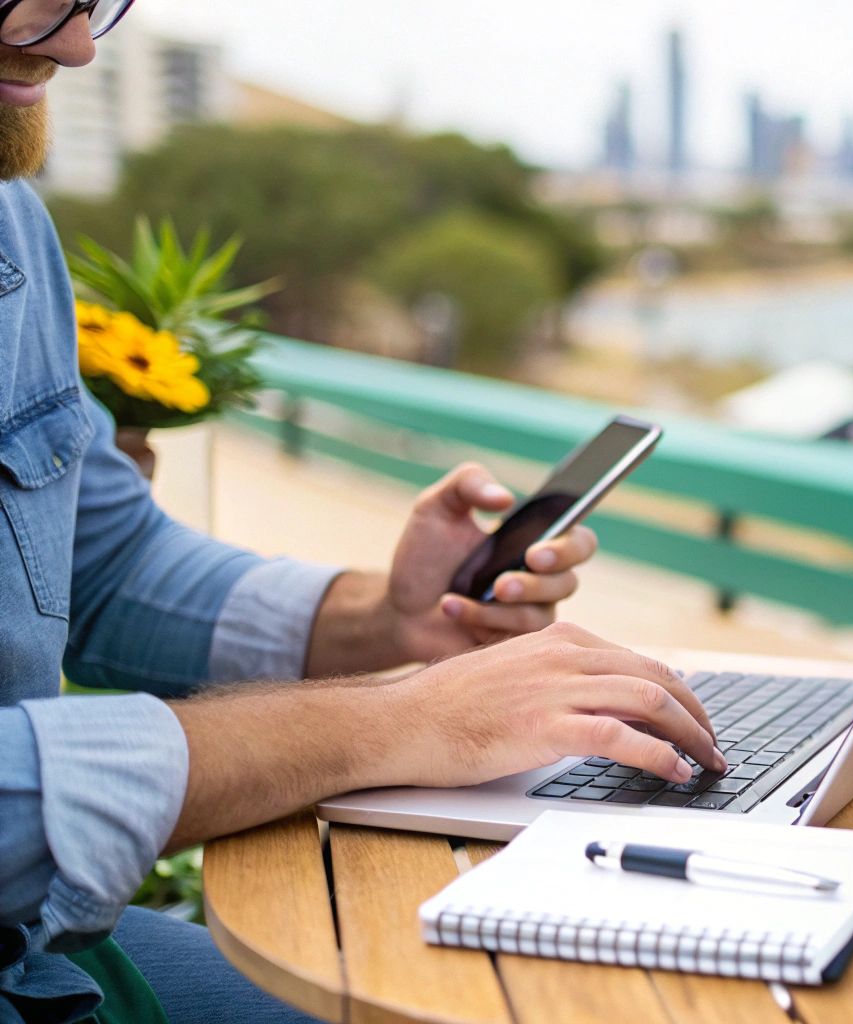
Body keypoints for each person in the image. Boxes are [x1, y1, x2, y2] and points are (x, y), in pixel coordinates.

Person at [0, 5, 725, 1021]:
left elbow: (106, 566)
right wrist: (392, 724)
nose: (76, 45)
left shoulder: (13, 227)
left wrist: (388, 618)